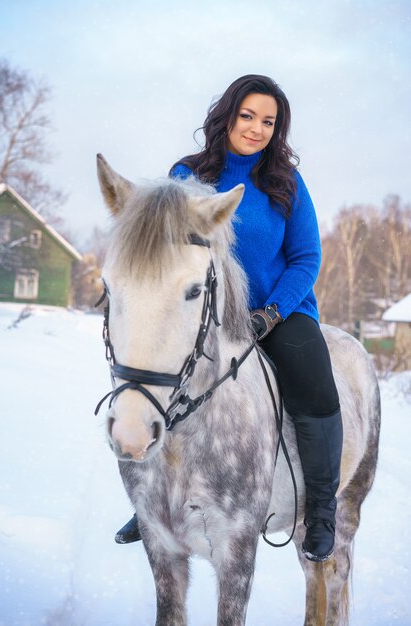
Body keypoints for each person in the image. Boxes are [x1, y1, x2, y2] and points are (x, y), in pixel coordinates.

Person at [115, 74, 343, 563]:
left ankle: (323, 509)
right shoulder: (188, 173)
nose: (257, 129)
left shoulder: (285, 182)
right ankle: (153, 500)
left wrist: (273, 313)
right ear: (228, 115)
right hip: (205, 313)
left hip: (277, 313)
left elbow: (306, 257)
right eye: (248, 116)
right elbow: (165, 245)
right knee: (164, 380)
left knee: (316, 384)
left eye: (269, 121)